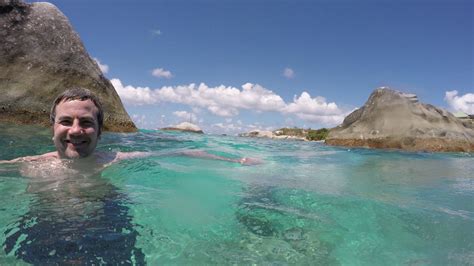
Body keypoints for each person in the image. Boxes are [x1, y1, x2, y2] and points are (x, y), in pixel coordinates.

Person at [0, 87, 258, 169]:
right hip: (45, 226)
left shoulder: (114, 159)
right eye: (66, 121)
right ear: (52, 128)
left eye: (87, 123)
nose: (76, 130)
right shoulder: (31, 164)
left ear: (100, 132)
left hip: (106, 223)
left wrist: (235, 159)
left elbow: (180, 153)